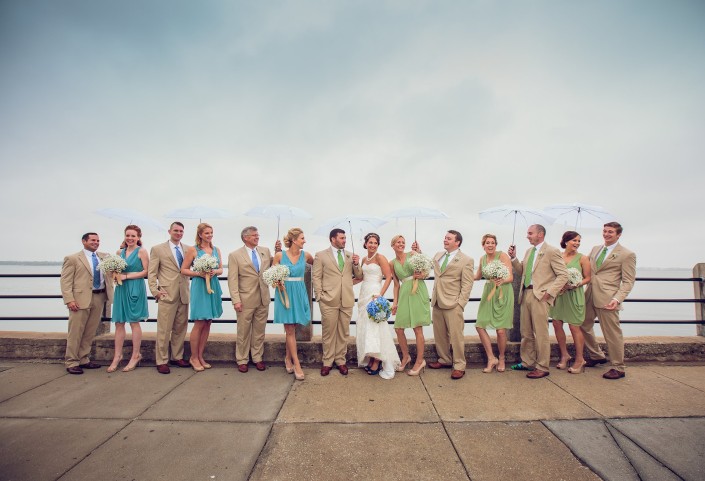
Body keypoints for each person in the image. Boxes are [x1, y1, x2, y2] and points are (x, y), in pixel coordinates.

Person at [508, 224, 568, 379]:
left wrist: (550, 292)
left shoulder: (552, 251)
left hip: (541, 296)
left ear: (540, 234)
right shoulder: (529, 251)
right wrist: (514, 258)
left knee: (541, 333)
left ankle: (542, 366)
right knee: (526, 332)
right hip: (526, 294)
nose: (527, 236)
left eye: (530, 233)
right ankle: (527, 362)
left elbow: (563, 275)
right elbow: (522, 271)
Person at [580, 222, 636, 380]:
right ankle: (597, 355)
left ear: (618, 235)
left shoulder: (627, 254)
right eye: (604, 231)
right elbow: (588, 270)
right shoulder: (596, 249)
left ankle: (618, 367)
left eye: (610, 232)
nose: (606, 234)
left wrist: (617, 299)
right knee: (582, 324)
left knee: (612, 333)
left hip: (608, 298)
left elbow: (628, 281)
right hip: (589, 294)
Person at [420, 230, 474, 379]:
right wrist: (419, 251)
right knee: (440, 334)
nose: (445, 240)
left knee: (456, 336)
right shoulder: (438, 255)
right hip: (437, 300)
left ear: (457, 242)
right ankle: (444, 359)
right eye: (445, 238)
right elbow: (427, 266)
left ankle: (459, 366)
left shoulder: (466, 260)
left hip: (453, 303)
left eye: (449, 238)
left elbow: (467, 284)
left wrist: (460, 304)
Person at [60, 232, 114, 374]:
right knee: (76, 331)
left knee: (90, 331)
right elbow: (65, 281)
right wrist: (69, 299)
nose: (96, 242)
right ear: (84, 241)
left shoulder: (104, 257)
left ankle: (84, 359)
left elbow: (115, 269)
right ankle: (71, 361)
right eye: (92, 240)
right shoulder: (72, 259)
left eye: (98, 240)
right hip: (79, 299)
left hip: (99, 297)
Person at [312, 228, 362, 376]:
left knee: (343, 332)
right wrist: (319, 296)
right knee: (328, 332)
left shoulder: (350, 255)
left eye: (345, 238)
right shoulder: (320, 256)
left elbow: (359, 275)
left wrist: (356, 264)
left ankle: (340, 360)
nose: (344, 240)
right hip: (328, 300)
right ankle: (327, 361)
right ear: (333, 239)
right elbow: (316, 277)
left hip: (346, 299)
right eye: (341, 238)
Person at [228, 226, 276, 373]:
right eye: (254, 235)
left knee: (259, 331)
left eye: (257, 235)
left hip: (263, 297)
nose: (257, 237)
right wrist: (236, 300)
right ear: (246, 237)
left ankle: (257, 358)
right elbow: (232, 280)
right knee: (243, 331)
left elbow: (272, 266)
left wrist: (278, 251)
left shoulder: (265, 251)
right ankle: (242, 359)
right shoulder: (235, 255)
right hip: (245, 299)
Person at [355, 233, 400, 379]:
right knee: (366, 327)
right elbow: (360, 278)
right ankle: (370, 356)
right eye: (370, 242)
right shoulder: (363, 259)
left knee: (375, 327)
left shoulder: (380, 258)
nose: (373, 245)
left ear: (378, 245)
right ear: (365, 243)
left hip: (375, 293)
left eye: (375, 243)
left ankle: (377, 360)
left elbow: (389, 278)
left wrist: (380, 294)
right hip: (363, 294)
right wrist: (344, 283)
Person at [148, 222, 190, 374]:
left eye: (181, 231)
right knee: (164, 329)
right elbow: (151, 273)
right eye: (176, 230)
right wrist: (155, 291)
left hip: (184, 293)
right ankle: (162, 360)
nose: (179, 233)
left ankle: (177, 356)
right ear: (169, 231)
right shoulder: (158, 249)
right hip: (166, 294)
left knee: (180, 328)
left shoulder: (188, 249)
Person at [181, 222, 224, 372]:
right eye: (206, 233)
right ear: (200, 234)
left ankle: (200, 356)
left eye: (211, 232)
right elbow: (184, 270)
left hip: (213, 286)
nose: (209, 235)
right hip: (200, 287)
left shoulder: (216, 250)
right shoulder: (193, 250)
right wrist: (199, 273)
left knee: (208, 322)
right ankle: (193, 357)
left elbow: (221, 269)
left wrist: (214, 272)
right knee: (199, 322)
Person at [273, 228, 314, 381]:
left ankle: (287, 358)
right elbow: (272, 276)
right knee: (289, 329)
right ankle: (297, 364)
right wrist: (278, 281)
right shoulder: (279, 255)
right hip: (285, 294)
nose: (305, 241)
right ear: (295, 239)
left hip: (299, 292)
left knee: (292, 329)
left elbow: (316, 267)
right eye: (302, 238)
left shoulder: (307, 255)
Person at [108, 225, 149, 373]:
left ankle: (135, 355)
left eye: (133, 236)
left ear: (138, 237)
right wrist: (114, 272)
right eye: (128, 235)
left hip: (135, 286)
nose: (130, 238)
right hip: (121, 288)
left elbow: (146, 271)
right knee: (119, 322)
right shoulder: (119, 252)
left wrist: (127, 276)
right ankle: (117, 356)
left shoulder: (142, 251)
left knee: (134, 321)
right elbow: (116, 268)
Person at [549, 231, 591, 374]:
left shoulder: (583, 258)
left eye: (579, 241)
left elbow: (588, 278)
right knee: (556, 324)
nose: (577, 243)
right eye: (574, 240)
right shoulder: (558, 256)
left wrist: (576, 284)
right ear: (565, 241)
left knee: (574, 327)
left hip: (574, 295)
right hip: (559, 296)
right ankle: (565, 355)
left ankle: (580, 359)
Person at [389, 235, 431, 376]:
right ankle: (406, 357)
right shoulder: (392, 263)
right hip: (404, 293)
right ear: (393, 245)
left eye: (403, 242)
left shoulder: (412, 255)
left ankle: (420, 361)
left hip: (418, 290)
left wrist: (422, 274)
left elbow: (426, 270)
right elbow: (396, 285)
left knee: (417, 328)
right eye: (398, 242)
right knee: (398, 328)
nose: (401, 244)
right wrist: (395, 303)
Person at [474, 234, 513, 373]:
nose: (490, 245)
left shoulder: (502, 256)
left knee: (501, 331)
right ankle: (491, 358)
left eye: (492, 243)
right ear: (483, 245)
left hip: (503, 291)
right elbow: (477, 276)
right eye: (487, 243)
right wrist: (460, 276)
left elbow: (510, 276)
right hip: (489, 292)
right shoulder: (482, 259)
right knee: (480, 325)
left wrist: (502, 280)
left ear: (496, 245)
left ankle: (501, 358)